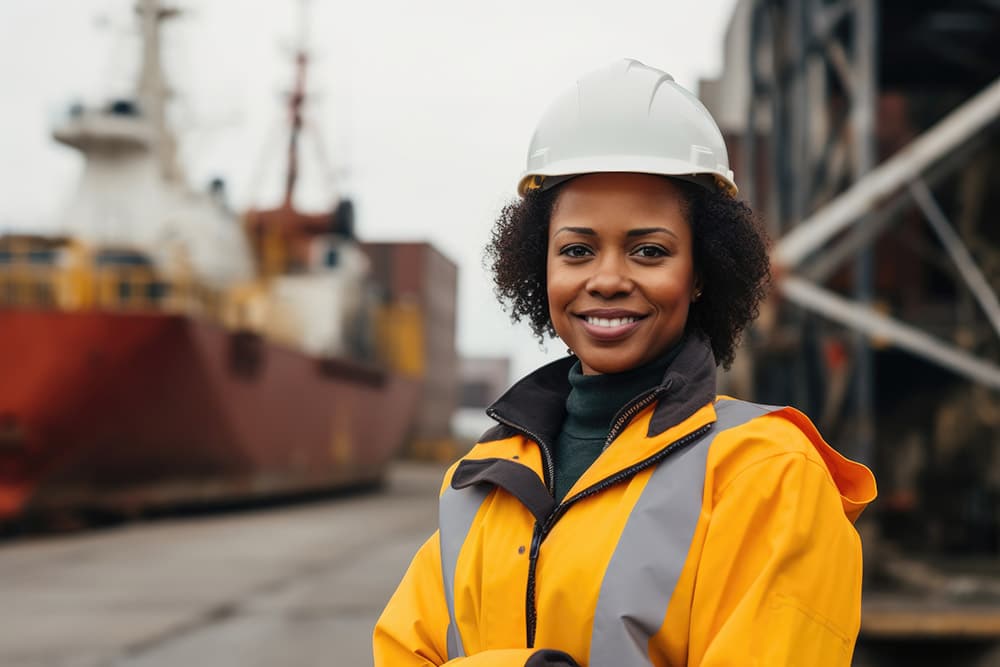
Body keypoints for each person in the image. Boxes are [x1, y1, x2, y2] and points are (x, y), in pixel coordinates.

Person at [373, 59, 877, 667]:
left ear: (699, 274)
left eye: (648, 250)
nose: (607, 279)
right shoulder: (482, 480)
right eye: (578, 250)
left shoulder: (766, 476)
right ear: (544, 268)